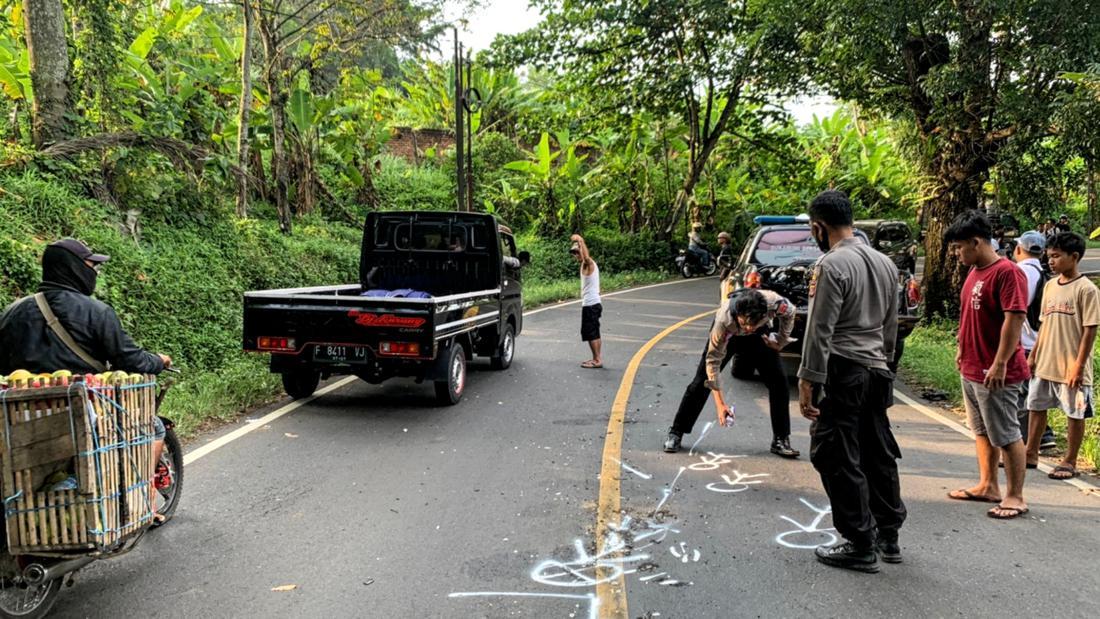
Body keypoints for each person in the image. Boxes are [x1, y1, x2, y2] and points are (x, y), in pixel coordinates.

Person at [0, 238, 172, 519]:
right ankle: (144, 500)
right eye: (92, 265)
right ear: (75, 268)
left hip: (20, 419)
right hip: (87, 413)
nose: (96, 272)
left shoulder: (12, 312)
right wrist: (159, 361)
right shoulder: (96, 312)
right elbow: (130, 360)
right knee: (152, 427)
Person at [797, 190, 905, 574]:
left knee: (835, 453)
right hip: (877, 368)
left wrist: (809, 379)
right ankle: (888, 534)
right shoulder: (886, 263)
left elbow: (819, 329)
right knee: (877, 450)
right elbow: (891, 326)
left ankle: (859, 540)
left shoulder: (831, 265)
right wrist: (886, 365)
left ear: (818, 227)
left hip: (845, 369)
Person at [944, 211, 1031, 520]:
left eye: (958, 247)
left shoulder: (1007, 272)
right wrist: (960, 348)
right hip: (972, 365)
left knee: (1006, 433)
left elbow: (1015, 317)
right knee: (981, 430)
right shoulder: (975, 271)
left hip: (996, 371)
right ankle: (988, 485)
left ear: (976, 242)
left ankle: (1015, 495)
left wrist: (1000, 362)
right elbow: (969, 316)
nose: (956, 254)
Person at [663, 288, 800, 458]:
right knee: (701, 382)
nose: (748, 328)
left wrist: (780, 341)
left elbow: (791, 312)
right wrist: (720, 405)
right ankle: (676, 432)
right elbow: (712, 363)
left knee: (779, 383)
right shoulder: (724, 319)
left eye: (752, 324)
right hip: (729, 334)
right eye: (746, 324)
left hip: (759, 336)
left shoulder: (774, 303)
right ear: (739, 314)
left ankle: (781, 439)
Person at [1025, 232, 1100, 480]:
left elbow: (1090, 329)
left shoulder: (1086, 290)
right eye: (1049, 256)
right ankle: (1031, 452)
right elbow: (1043, 323)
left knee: (1074, 412)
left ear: (1074, 257)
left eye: (1057, 256)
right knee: (1036, 407)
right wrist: (1034, 355)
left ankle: (1069, 460)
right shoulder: (1049, 286)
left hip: (1071, 365)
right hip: (1046, 360)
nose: (1051, 261)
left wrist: (1078, 366)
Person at [1010, 232, 1057, 453]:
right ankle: (1043, 434)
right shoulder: (1043, 272)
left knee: (1023, 393)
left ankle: (1026, 440)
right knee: (1034, 392)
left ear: (1019, 249)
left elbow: (1016, 309)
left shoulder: (1021, 273)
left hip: (1026, 342)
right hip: (1041, 340)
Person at [570, 234, 602, 369]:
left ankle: (597, 360)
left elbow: (586, 257)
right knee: (593, 331)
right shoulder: (583, 265)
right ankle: (596, 358)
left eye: (577, 252)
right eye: (574, 253)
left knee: (591, 332)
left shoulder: (589, 263)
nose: (576, 255)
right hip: (591, 304)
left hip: (591, 304)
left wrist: (580, 241)